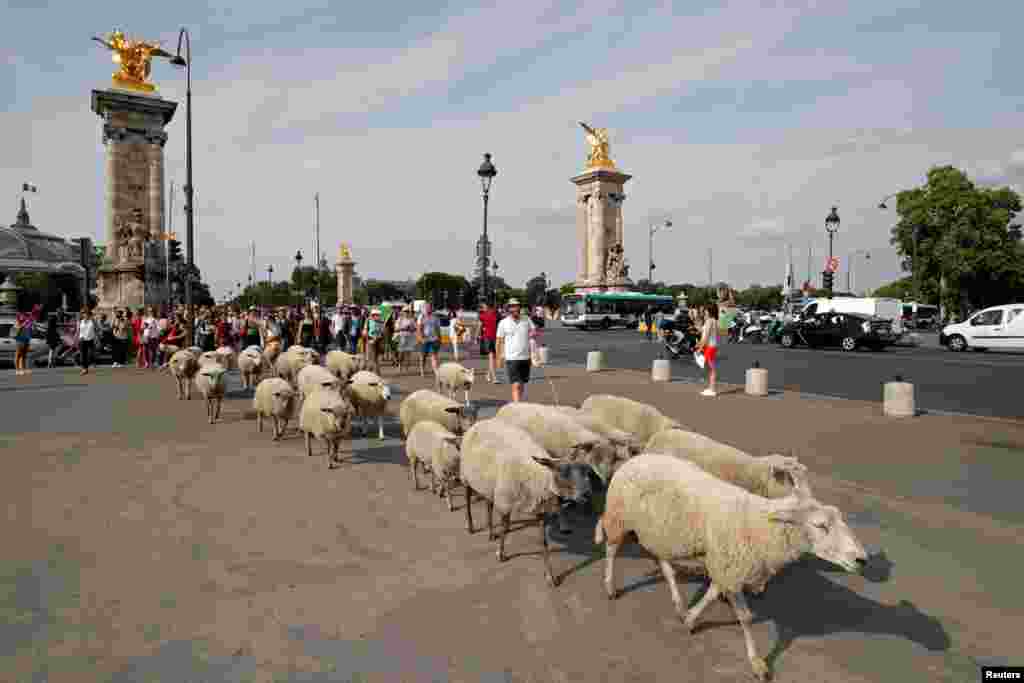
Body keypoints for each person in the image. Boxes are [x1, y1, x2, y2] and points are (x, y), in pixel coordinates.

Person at [495, 299, 536, 402]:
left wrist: (533, 333)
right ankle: (516, 407)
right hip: (511, 358)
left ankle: (519, 404)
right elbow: (499, 341)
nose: (515, 308)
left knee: (522, 384)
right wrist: (498, 357)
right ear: (508, 309)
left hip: (526, 357)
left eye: (517, 306)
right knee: (516, 385)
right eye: (512, 306)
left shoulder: (526, 319)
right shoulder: (503, 323)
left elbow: (534, 330)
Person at [695, 302, 720, 397]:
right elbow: (708, 333)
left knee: (712, 369)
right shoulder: (713, 320)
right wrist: (700, 328)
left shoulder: (710, 321)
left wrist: (700, 348)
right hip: (712, 346)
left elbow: (706, 336)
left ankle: (712, 389)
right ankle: (711, 388)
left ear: (709, 311)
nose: (704, 312)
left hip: (709, 346)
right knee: (710, 369)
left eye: (705, 310)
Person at [12, 305, 40, 376]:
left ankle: (23, 369)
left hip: (27, 337)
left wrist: (32, 326)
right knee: (18, 354)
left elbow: (31, 325)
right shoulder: (19, 316)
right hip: (20, 337)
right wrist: (24, 323)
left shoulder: (28, 316)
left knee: (24, 354)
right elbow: (18, 326)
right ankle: (17, 370)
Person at [417, 303, 441, 377]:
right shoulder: (421, 317)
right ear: (424, 309)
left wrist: (439, 338)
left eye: (430, 307)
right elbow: (419, 328)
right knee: (423, 356)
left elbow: (437, 328)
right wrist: (421, 338)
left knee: (434, 356)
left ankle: (436, 371)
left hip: (434, 339)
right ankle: (422, 370)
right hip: (425, 339)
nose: (428, 309)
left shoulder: (435, 317)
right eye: (427, 308)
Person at [478, 301, 498, 383]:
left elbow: (499, 324)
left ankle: (488, 374)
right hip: (487, 338)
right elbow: (479, 326)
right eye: (482, 307)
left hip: (495, 337)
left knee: (494, 358)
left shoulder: (494, 313)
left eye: (483, 306)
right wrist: (478, 335)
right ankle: (494, 378)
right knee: (491, 357)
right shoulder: (482, 316)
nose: (483, 308)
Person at [394, 306, 417, 373]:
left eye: (407, 311)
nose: (406, 313)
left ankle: (407, 367)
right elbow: (396, 329)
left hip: (409, 338)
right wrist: (404, 328)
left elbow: (415, 328)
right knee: (401, 354)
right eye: (405, 311)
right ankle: (400, 366)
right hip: (402, 338)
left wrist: (411, 329)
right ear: (403, 312)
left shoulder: (411, 320)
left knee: (408, 354)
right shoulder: (400, 319)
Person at [76, 306, 97, 375]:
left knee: (91, 354)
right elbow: (78, 331)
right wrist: (76, 339)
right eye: (83, 313)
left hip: (90, 339)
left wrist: (97, 337)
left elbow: (96, 329)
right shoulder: (80, 321)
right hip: (82, 340)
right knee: (83, 355)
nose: (85, 314)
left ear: (89, 314)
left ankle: (90, 364)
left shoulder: (92, 321)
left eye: (86, 313)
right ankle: (84, 369)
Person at [364, 308, 384, 375]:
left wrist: (378, 338)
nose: (377, 316)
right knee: (371, 358)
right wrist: (368, 338)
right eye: (376, 315)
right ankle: (374, 372)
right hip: (370, 340)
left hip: (378, 341)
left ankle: (374, 372)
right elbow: (365, 331)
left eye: (378, 315)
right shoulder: (368, 321)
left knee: (375, 358)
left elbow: (382, 333)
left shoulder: (381, 322)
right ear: (373, 315)